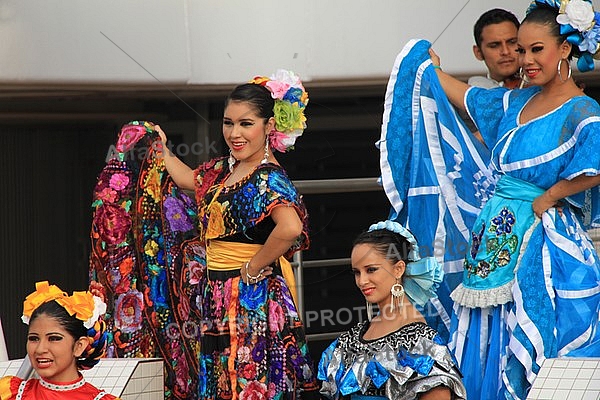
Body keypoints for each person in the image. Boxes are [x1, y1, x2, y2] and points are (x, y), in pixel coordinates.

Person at [383, 0, 600, 398]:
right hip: (495, 236)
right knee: (486, 328)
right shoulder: (514, 102)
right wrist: (426, 65)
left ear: (565, 49)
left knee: (534, 328)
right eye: (521, 49)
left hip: (544, 238)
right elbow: (464, 96)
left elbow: (596, 163)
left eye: (537, 49)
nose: (525, 59)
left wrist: (551, 195)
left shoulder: (583, 109)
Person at [155, 69, 319, 399]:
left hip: (250, 296)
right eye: (229, 123)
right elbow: (190, 179)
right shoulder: (223, 170)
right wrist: (161, 149)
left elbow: (290, 227)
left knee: (249, 379)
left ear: (269, 126)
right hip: (217, 294)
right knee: (222, 382)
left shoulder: (267, 177)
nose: (235, 132)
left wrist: (253, 267)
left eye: (246, 123)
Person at [318, 220, 466, 400]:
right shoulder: (353, 336)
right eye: (357, 272)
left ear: (398, 269)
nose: (362, 281)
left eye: (371, 270)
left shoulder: (422, 342)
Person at [0, 281, 119, 400]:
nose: (40, 349)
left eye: (54, 338)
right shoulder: (10, 393)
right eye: (34, 338)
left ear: (79, 346)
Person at [470, 8, 522, 89]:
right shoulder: (474, 90)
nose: (505, 51)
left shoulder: (542, 89)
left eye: (512, 42)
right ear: (478, 52)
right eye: (494, 45)